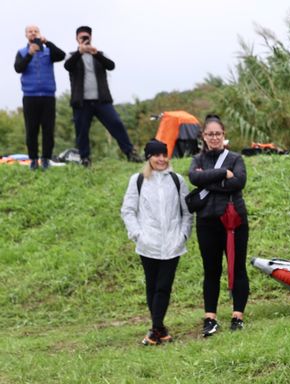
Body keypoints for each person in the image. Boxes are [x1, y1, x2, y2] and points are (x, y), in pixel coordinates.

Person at [120, 140, 190, 346]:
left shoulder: (177, 180)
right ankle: (160, 329)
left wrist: (183, 235)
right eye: (156, 155)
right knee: (152, 286)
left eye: (164, 155)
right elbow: (128, 210)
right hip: (148, 243)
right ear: (148, 157)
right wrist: (137, 234)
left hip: (173, 243)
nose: (161, 159)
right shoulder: (138, 180)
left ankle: (155, 329)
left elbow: (187, 213)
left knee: (163, 286)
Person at [188, 115, 249, 336]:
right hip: (206, 222)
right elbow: (194, 178)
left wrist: (209, 180)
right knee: (211, 270)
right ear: (203, 136)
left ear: (224, 136)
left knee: (237, 267)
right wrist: (223, 174)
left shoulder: (235, 158)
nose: (214, 137)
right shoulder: (197, 160)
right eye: (210, 134)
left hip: (234, 221)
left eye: (218, 134)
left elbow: (238, 182)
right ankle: (210, 317)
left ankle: (237, 315)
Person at [63, 25, 136, 166]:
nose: (85, 40)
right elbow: (68, 66)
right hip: (81, 102)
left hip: (102, 100)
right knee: (82, 132)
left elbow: (111, 66)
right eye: (81, 37)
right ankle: (85, 158)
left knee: (116, 124)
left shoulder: (100, 54)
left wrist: (95, 53)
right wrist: (80, 52)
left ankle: (130, 153)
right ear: (76, 39)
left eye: (87, 37)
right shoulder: (72, 55)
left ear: (91, 38)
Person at [14, 24, 65, 171]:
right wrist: (30, 53)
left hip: (48, 96)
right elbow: (18, 68)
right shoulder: (22, 52)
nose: (33, 33)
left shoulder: (48, 51)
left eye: (35, 31)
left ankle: (46, 159)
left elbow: (61, 55)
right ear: (26, 35)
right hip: (30, 96)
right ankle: (33, 159)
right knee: (31, 129)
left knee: (48, 129)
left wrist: (47, 42)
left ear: (40, 34)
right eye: (30, 32)